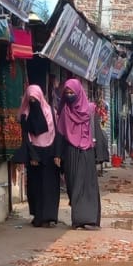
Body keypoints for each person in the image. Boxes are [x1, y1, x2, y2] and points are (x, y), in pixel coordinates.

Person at [57, 78, 101, 229]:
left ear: (79, 93)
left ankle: (90, 219)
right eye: (67, 93)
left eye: (72, 92)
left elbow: (97, 132)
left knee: (88, 186)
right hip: (71, 153)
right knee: (74, 185)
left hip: (87, 152)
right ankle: (79, 219)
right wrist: (58, 156)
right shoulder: (65, 112)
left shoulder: (89, 110)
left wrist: (99, 154)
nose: (70, 95)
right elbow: (61, 135)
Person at [19, 83, 60, 227]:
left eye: (35, 99)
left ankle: (50, 217)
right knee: (35, 187)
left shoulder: (51, 112)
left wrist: (56, 154)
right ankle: (38, 216)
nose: (33, 103)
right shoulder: (25, 114)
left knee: (50, 185)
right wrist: (33, 156)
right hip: (34, 153)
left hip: (50, 153)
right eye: (30, 100)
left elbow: (56, 132)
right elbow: (26, 137)